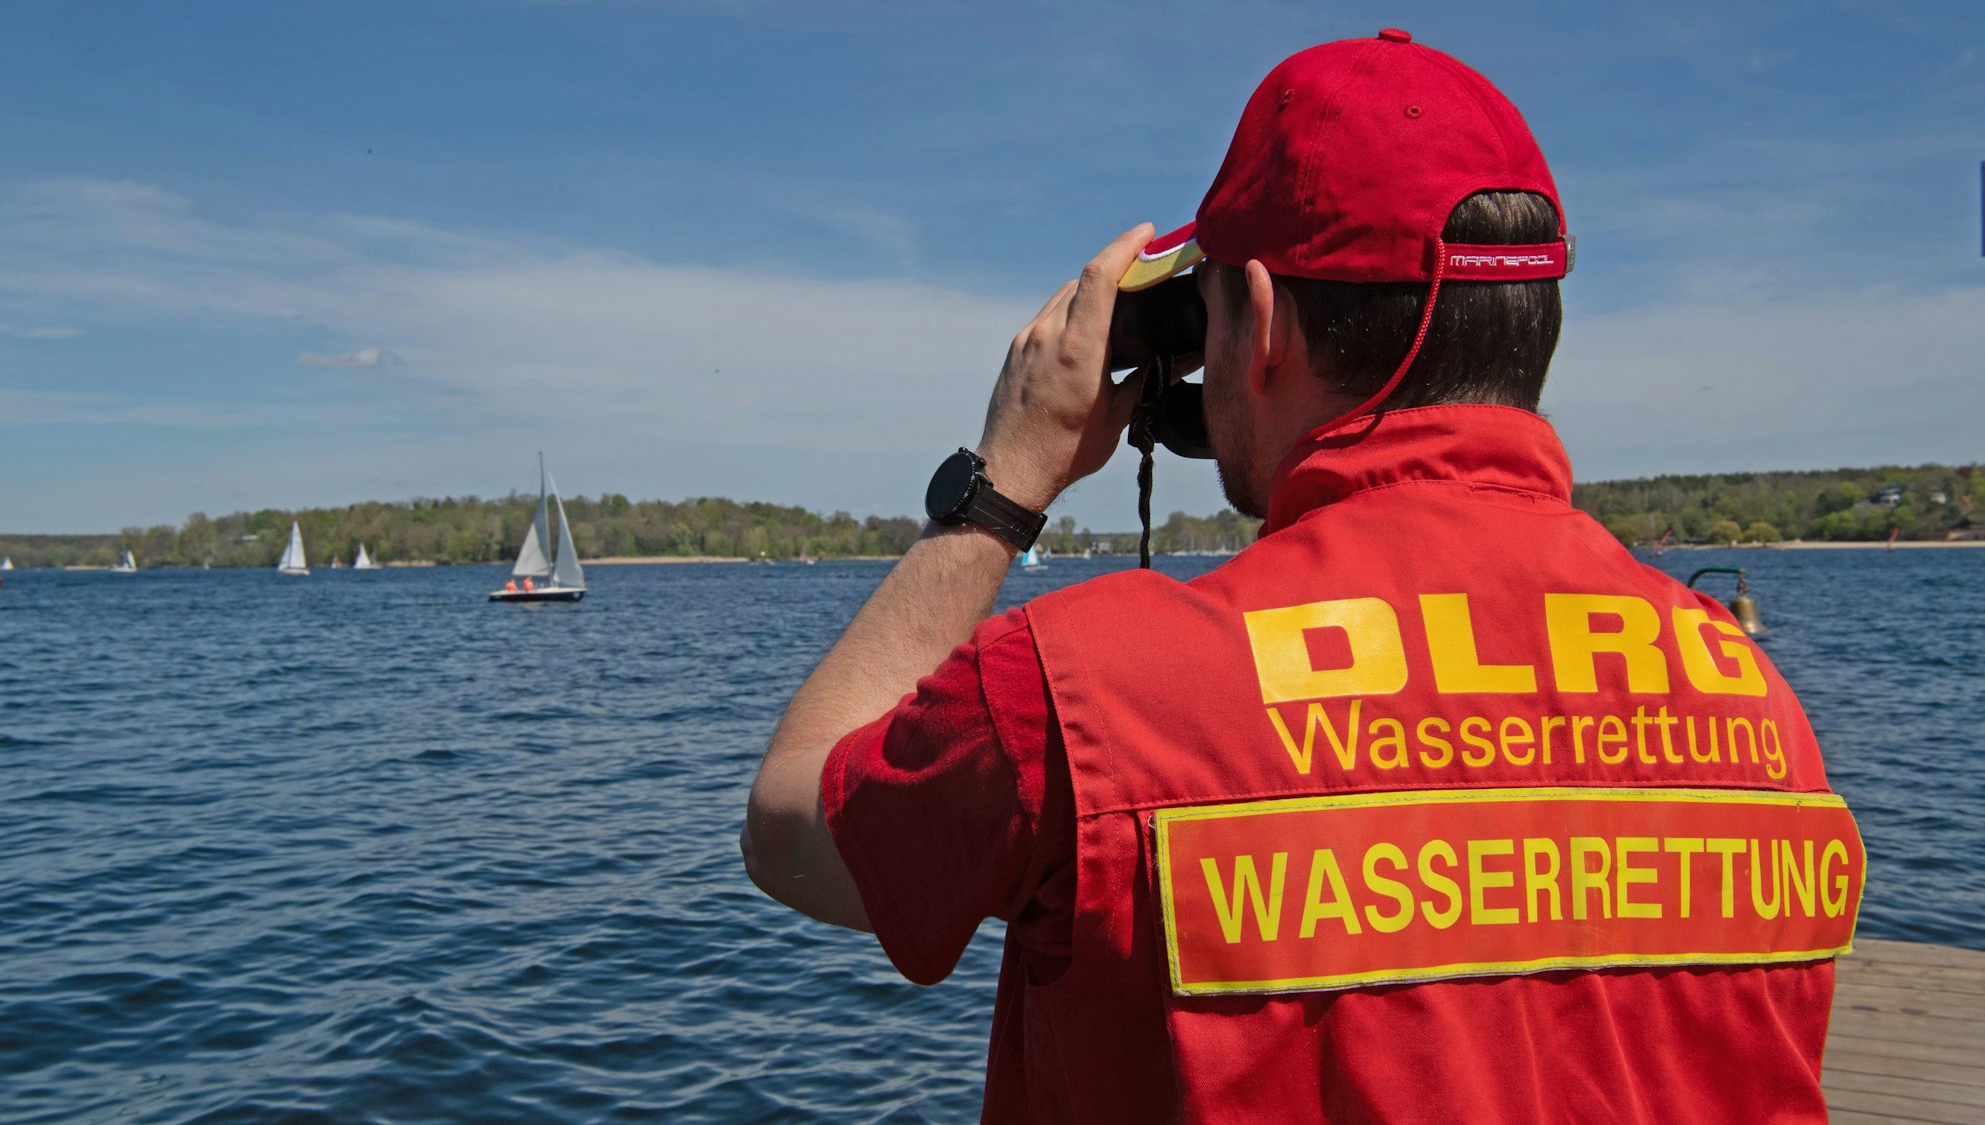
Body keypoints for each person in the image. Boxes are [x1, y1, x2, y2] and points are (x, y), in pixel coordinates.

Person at [744, 30, 1863, 1123]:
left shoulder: (1088, 695)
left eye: (1207, 312)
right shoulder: (1761, 712)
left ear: (1265, 321)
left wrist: (1003, 486)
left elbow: (792, 830)